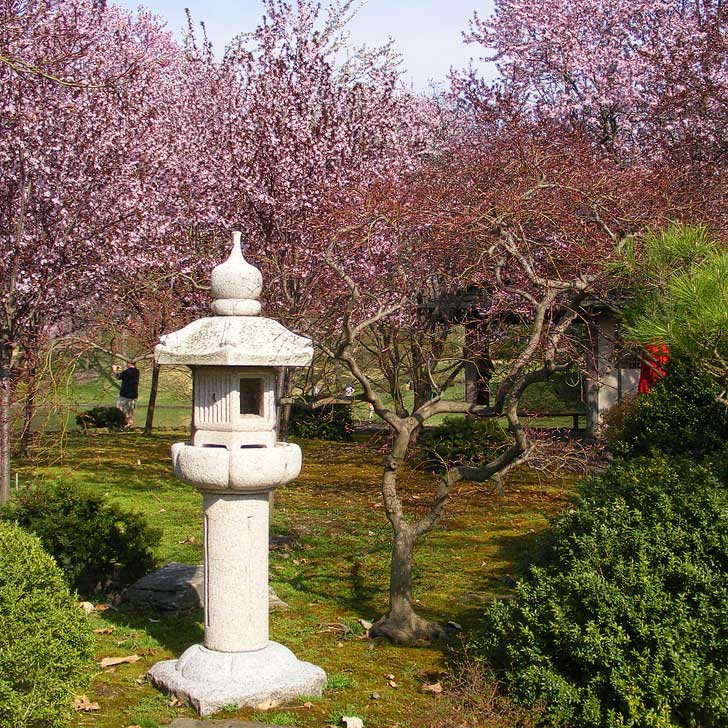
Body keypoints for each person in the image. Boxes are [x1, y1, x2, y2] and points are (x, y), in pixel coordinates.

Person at [112, 361, 140, 427]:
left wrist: (115, 370)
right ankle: (129, 424)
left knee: (119, 409)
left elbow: (118, 377)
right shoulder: (136, 371)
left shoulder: (128, 371)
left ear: (129, 364)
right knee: (130, 411)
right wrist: (122, 369)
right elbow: (125, 374)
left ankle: (119, 424)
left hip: (125, 394)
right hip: (133, 395)